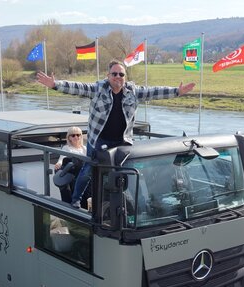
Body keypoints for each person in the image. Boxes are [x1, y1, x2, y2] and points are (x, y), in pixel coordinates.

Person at [36, 60, 195, 207]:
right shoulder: (99, 89)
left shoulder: (133, 92)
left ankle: (139, 205)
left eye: (121, 74)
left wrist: (177, 91)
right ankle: (76, 199)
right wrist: (55, 84)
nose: (118, 77)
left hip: (122, 141)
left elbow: (154, 92)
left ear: (125, 77)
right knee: (88, 170)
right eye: (114, 74)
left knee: (129, 171)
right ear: (108, 76)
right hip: (99, 139)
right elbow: (78, 87)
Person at [54, 127, 86, 204]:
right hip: (73, 172)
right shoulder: (66, 148)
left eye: (78, 135)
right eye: (73, 135)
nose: (76, 137)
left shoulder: (84, 148)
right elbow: (62, 158)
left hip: (82, 172)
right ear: (69, 137)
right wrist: (59, 163)